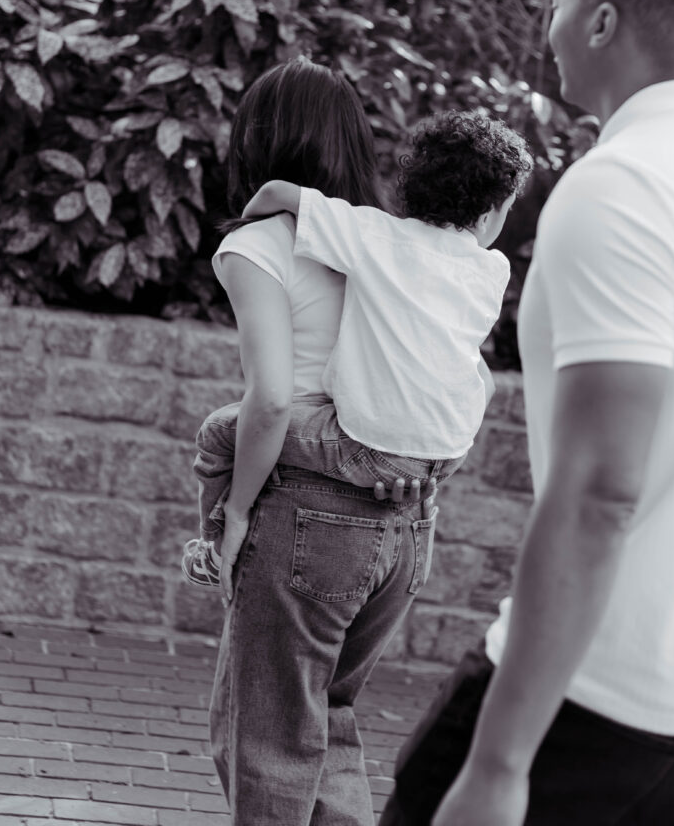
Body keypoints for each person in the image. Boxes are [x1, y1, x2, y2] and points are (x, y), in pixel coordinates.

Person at [379, 0, 674, 826]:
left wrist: (500, 763)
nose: (548, 26)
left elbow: (604, 490)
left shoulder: (626, 183)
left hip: (596, 694)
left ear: (602, 20)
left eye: (557, 1)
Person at [198, 56, 532, 826]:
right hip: (408, 519)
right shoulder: (414, 251)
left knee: (266, 738)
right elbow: (458, 373)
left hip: (310, 514)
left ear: (257, 137)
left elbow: (273, 397)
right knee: (329, 719)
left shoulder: (273, 245)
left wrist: (237, 510)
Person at [182, 106, 533, 593]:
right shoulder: (492, 270)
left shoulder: (374, 235)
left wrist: (253, 217)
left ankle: (218, 545)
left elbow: (277, 193)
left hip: (365, 447)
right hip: (445, 455)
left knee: (222, 430)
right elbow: (479, 376)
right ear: (491, 211)